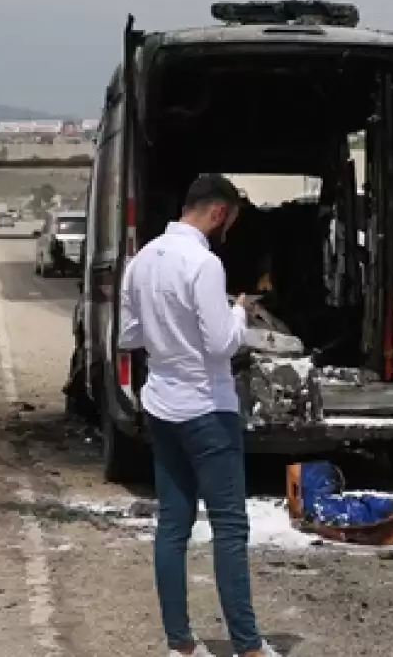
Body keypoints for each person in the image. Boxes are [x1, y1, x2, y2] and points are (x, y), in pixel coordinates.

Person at [119, 174, 281, 657]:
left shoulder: (141, 260)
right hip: (207, 409)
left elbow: (129, 336)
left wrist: (166, 335)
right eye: (228, 220)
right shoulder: (205, 264)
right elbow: (221, 343)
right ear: (216, 212)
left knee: (173, 525)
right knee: (229, 527)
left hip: (160, 406)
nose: (227, 228)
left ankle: (181, 646)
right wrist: (236, 311)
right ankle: (248, 647)